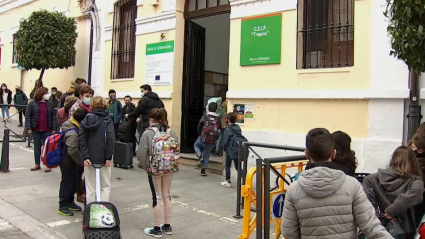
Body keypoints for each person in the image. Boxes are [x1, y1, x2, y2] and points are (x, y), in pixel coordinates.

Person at [281, 128, 393, 239]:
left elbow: (288, 232)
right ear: (333, 153)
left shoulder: (294, 189)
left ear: (307, 154)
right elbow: (371, 226)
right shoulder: (352, 185)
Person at [363, 146, 424, 239]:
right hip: (404, 229)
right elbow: (415, 194)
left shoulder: (371, 179)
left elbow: (367, 203)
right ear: (413, 162)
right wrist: (392, 210)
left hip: (376, 228)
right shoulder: (415, 181)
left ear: (393, 159)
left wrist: (379, 215)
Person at [137, 108, 179, 238]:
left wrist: (147, 167)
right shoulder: (171, 132)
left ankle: (156, 227)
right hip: (169, 168)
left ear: (151, 119)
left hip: (154, 169)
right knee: (167, 194)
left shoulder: (148, 133)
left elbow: (141, 153)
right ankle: (167, 226)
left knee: (157, 196)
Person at [78, 96, 115, 204]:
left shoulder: (85, 120)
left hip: (89, 156)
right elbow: (110, 138)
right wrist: (108, 157)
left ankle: (90, 212)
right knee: (105, 186)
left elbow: (81, 139)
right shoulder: (108, 120)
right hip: (103, 157)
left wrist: (85, 156)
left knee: (90, 187)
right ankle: (103, 210)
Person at [58, 108, 88, 216]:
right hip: (68, 160)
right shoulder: (72, 132)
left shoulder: (71, 124)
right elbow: (73, 150)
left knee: (74, 181)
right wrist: (81, 161)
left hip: (71, 160)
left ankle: (70, 202)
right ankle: (62, 205)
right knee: (67, 182)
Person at [26, 87, 57, 172]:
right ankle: (37, 163)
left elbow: (53, 116)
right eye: (46, 93)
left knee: (47, 147)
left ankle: (48, 164)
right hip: (36, 129)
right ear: (41, 94)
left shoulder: (50, 103)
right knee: (37, 147)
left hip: (47, 129)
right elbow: (28, 116)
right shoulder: (32, 103)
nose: (48, 95)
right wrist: (29, 128)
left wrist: (54, 128)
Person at [194, 102, 221, 176]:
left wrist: (200, 134)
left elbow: (199, 126)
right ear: (216, 109)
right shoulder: (218, 119)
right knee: (206, 154)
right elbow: (219, 128)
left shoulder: (205, 117)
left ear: (208, 108)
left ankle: (199, 156)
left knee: (196, 145)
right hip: (212, 139)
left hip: (203, 137)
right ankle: (203, 170)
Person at [220, 113, 242, 187]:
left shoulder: (228, 129)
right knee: (237, 167)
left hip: (230, 149)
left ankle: (227, 181)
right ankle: (245, 179)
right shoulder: (238, 127)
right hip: (237, 149)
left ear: (228, 120)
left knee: (227, 165)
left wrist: (224, 148)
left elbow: (225, 141)